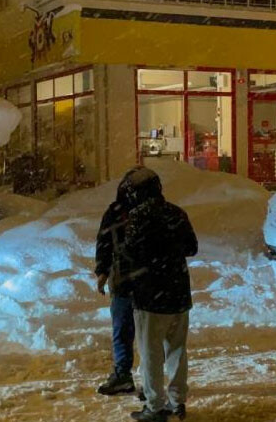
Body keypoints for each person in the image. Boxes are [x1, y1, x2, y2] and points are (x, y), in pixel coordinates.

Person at [123, 167, 197, 422]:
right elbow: (192, 247)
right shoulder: (176, 213)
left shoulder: (137, 217)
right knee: (177, 350)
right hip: (178, 292)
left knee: (151, 353)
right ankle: (178, 402)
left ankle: (154, 407)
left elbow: (129, 255)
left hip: (150, 296)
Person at [94, 167, 143, 396]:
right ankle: (150, 379)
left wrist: (103, 271)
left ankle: (125, 375)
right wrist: (102, 270)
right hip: (144, 281)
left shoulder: (116, 211)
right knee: (145, 332)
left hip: (124, 279)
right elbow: (105, 241)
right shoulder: (149, 211)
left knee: (124, 329)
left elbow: (104, 241)